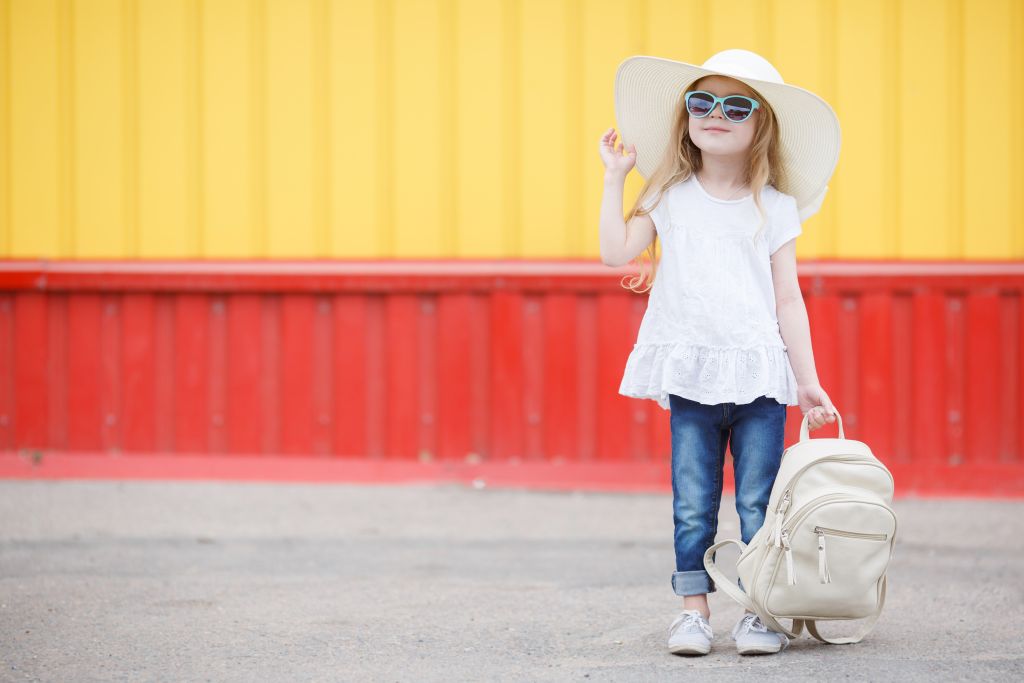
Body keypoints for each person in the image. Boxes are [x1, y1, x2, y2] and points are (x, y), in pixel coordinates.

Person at [598, 49, 840, 656]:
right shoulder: (669, 195)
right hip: (693, 373)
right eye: (701, 102)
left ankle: (758, 611)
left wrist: (807, 380)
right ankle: (692, 612)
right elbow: (613, 252)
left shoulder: (775, 206)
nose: (716, 115)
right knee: (692, 501)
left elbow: (789, 299)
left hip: (758, 375)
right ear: (685, 118)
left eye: (737, 106)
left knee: (758, 502)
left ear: (761, 125)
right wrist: (613, 178)